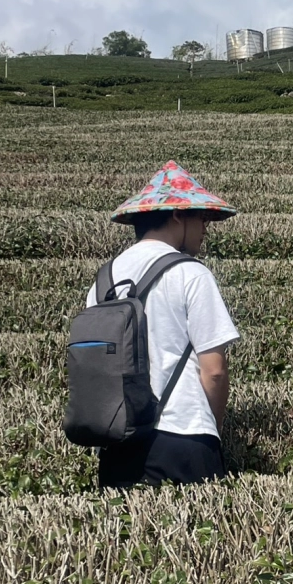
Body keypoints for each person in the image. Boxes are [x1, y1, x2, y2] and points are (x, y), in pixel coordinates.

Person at [88, 161, 240, 487]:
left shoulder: (104, 279)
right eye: (201, 217)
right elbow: (214, 370)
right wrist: (212, 425)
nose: (206, 227)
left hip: (117, 439)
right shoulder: (191, 273)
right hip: (184, 435)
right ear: (177, 215)